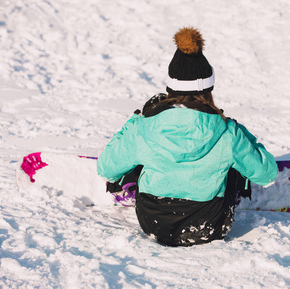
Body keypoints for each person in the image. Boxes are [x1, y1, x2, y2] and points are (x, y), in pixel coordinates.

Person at [97, 27, 278, 246]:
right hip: (209, 225)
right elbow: (267, 175)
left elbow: (105, 168)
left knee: (140, 157)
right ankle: (234, 182)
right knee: (232, 164)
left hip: (153, 222)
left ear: (170, 87)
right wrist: (238, 130)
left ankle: (132, 187)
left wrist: (136, 121)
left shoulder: (144, 127)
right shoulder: (227, 132)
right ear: (209, 87)